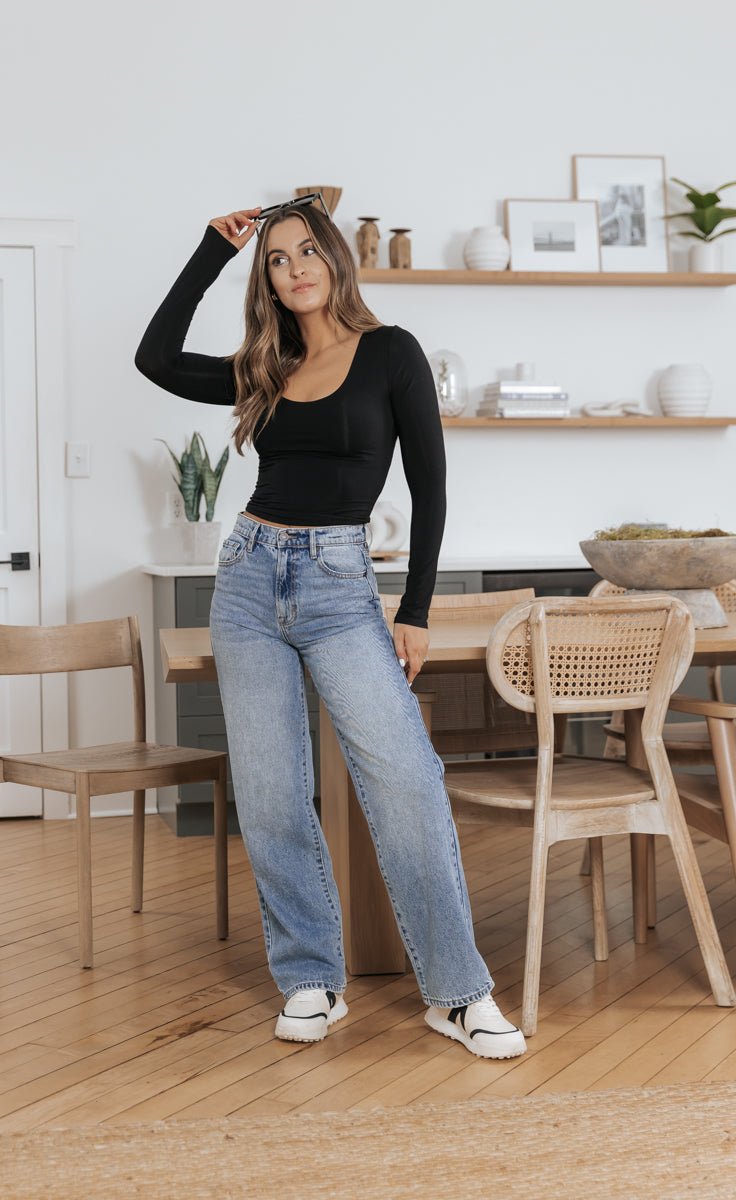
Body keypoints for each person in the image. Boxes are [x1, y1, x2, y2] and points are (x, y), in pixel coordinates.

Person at [134, 196, 526, 1060]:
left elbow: (430, 490)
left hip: (342, 586)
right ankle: (312, 976)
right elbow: (154, 358)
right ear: (266, 280)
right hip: (245, 581)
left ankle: (457, 993)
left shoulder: (391, 353)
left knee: (406, 782)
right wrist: (210, 249)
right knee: (272, 794)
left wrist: (415, 610)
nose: (295, 268)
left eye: (306, 251)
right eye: (277, 259)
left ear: (336, 261)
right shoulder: (264, 364)